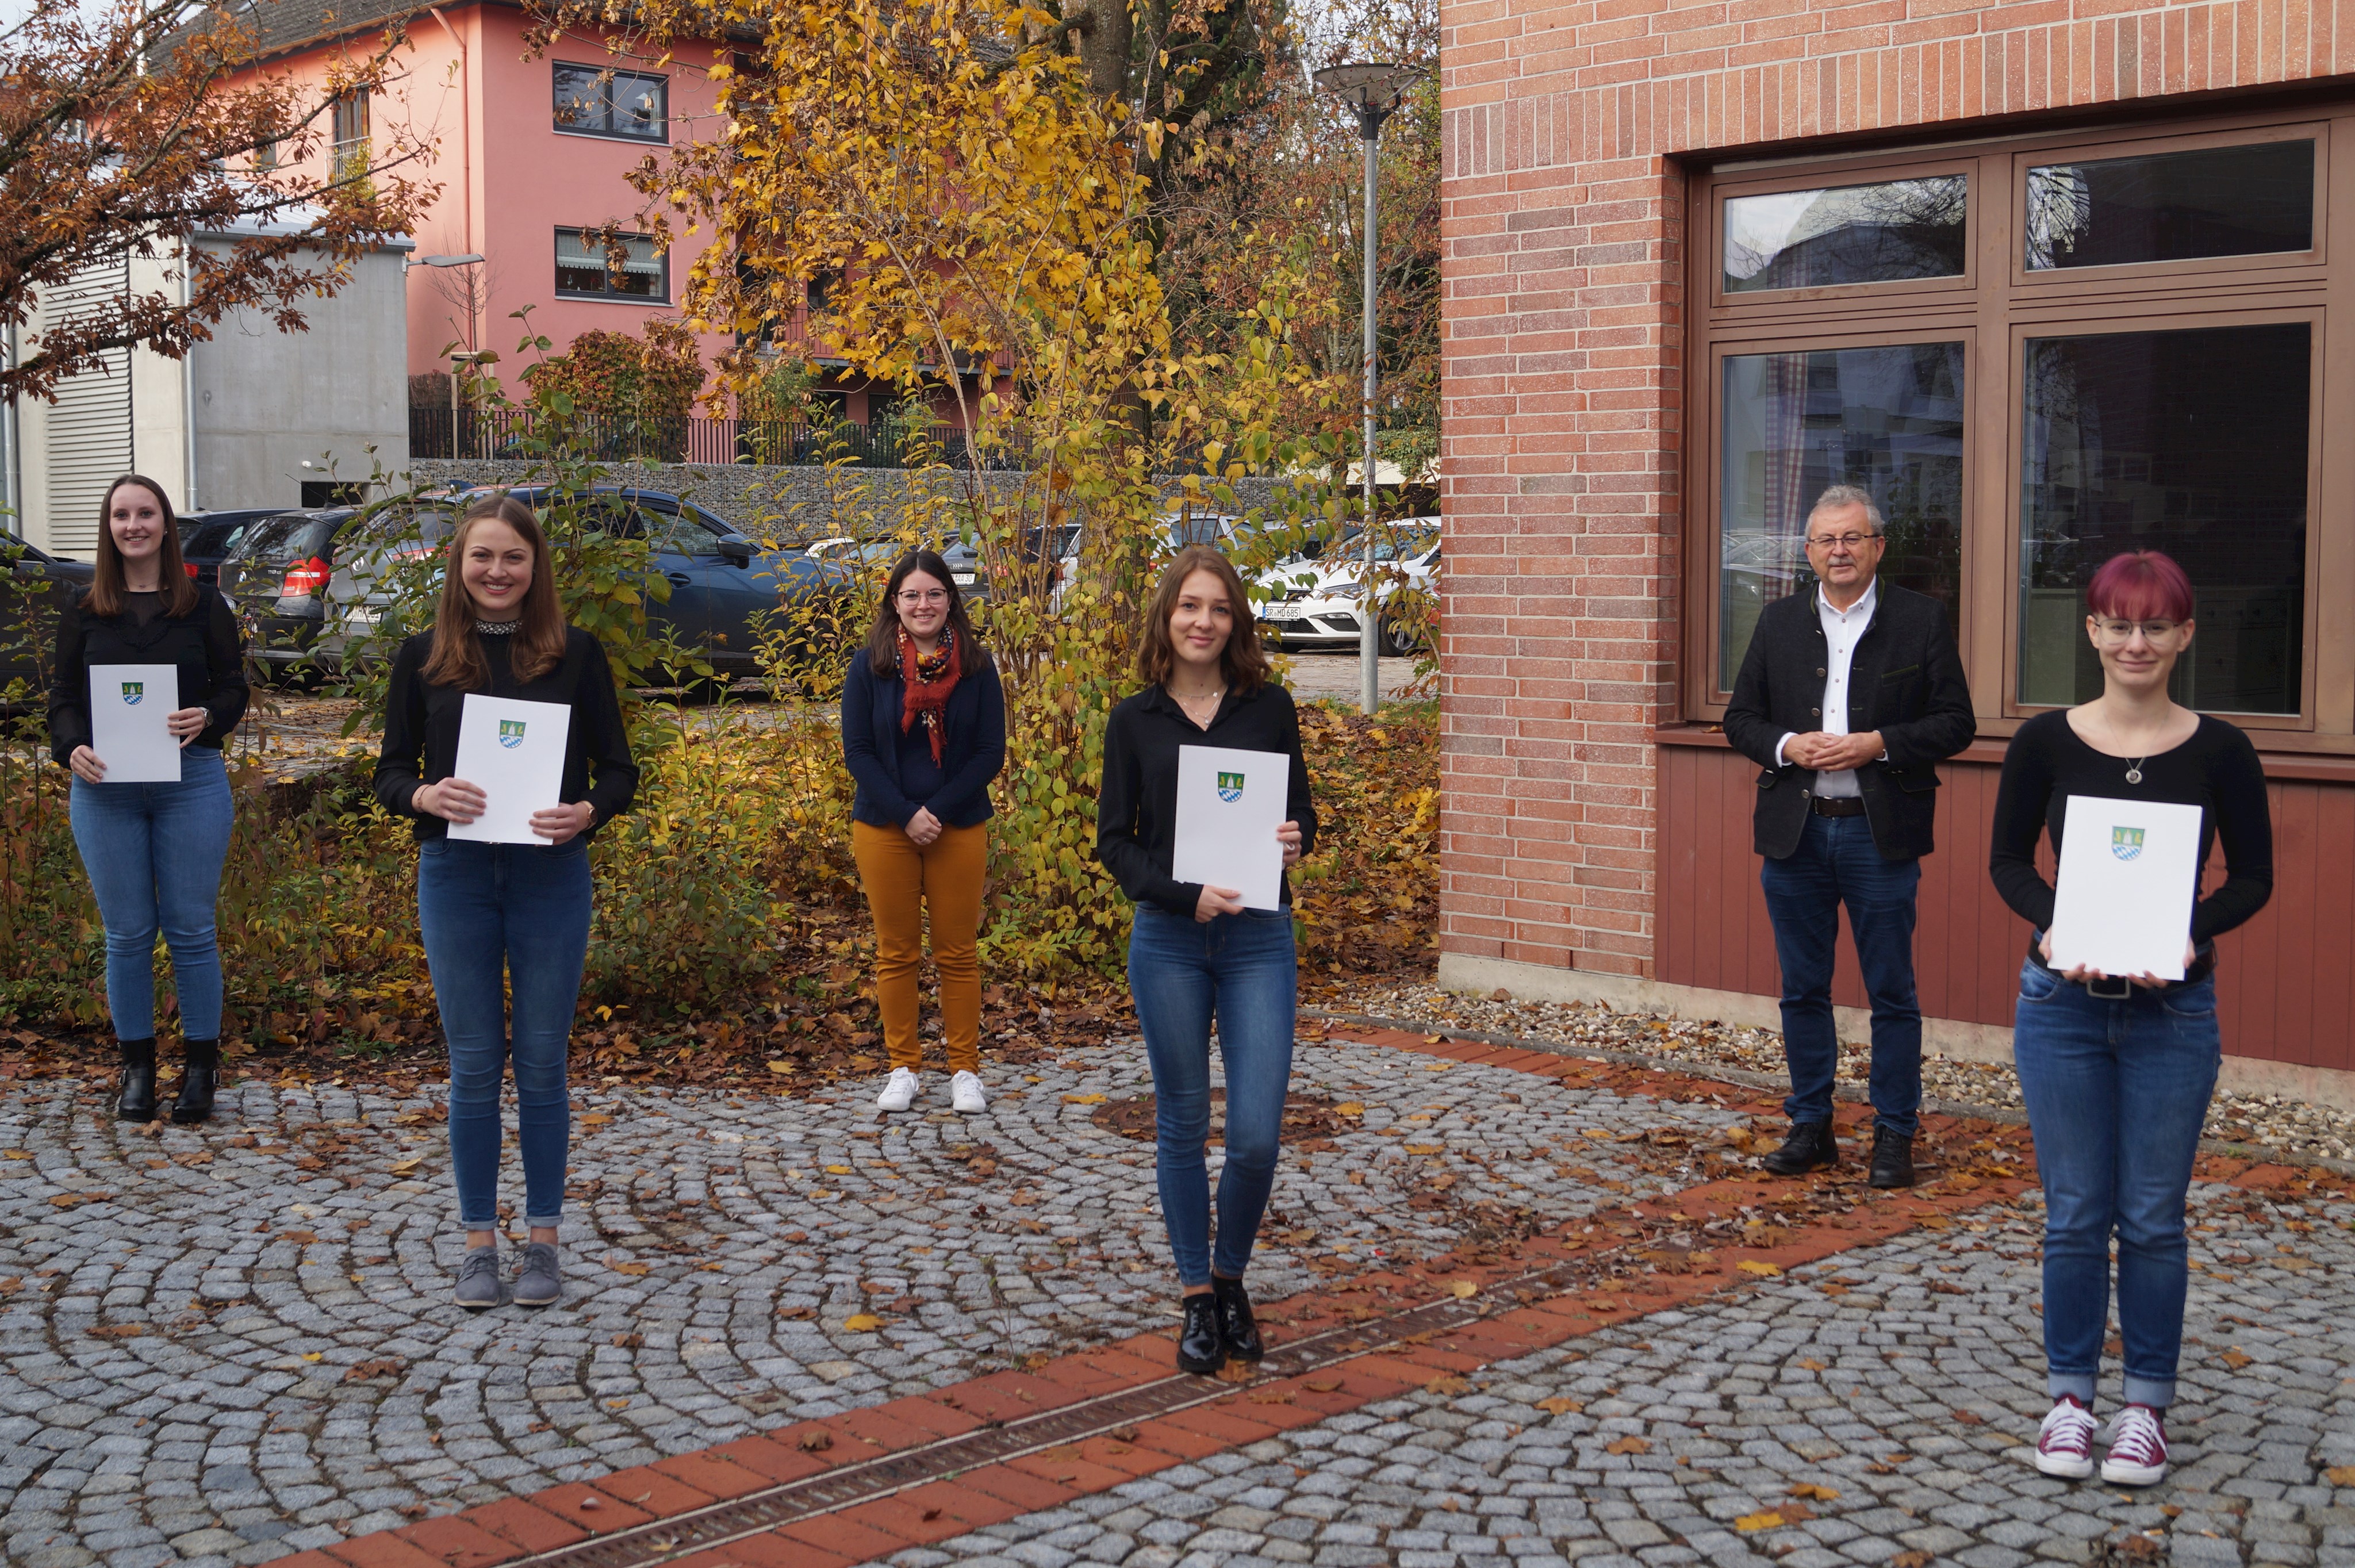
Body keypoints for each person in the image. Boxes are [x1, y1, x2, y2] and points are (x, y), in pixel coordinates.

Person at [1990, 550, 2271, 1489]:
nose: (2136, 641)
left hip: (2172, 1010)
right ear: (2092, 632)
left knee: (2151, 1217)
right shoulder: (2045, 741)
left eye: (2155, 625)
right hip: (2061, 1006)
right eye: (2118, 623)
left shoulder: (2221, 749)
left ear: (2185, 634)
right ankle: (2070, 1400)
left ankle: (2144, 1408)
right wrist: (2057, 921)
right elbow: (2007, 865)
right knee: (2074, 1214)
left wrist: (2184, 931)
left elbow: (2254, 879)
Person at [373, 493, 638, 1311]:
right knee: (476, 1065)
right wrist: (423, 794)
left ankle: (546, 1243)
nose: (496, 570)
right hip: (456, 877)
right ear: (459, 563)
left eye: (512, 557)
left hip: (550, 877)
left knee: (544, 1062)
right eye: (482, 556)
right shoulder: (423, 656)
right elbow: (386, 773)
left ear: (535, 568)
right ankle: (479, 1244)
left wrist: (588, 810)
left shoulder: (576, 654)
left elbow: (621, 769)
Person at [1097, 544, 1315, 1377]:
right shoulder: (1134, 719)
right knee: (1184, 1122)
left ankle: (1232, 1276)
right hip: (1171, 939)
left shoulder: (1270, 708)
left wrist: (1297, 840)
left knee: (1257, 1134)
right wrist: (1184, 894)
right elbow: (1114, 842)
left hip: (1260, 935)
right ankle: (1197, 1293)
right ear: (1168, 615)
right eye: (1190, 605)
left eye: (1219, 608)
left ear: (1237, 622)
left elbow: (1301, 814)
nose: (1203, 621)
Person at [1723, 484, 1976, 1188]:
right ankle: (1811, 1125)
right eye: (1826, 540)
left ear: (1876, 547)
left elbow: (1957, 722)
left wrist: (1878, 744)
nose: (1839, 550)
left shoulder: (1920, 620)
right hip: (1795, 836)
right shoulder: (1776, 623)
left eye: (1852, 538)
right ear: (1808, 553)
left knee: (1891, 991)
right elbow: (1740, 719)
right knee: (1802, 991)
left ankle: (1895, 1133)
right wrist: (1785, 746)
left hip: (1877, 835)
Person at [47, 475, 247, 1125]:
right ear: (109, 528)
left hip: (190, 783)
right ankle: (136, 1068)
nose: (134, 525)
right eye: (121, 515)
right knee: (128, 935)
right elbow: (62, 700)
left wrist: (207, 719)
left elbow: (233, 688)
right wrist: (70, 746)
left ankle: (199, 1067)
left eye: (146, 513)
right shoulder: (83, 610)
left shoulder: (203, 606)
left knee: (190, 931)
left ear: (165, 524)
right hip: (105, 790)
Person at [841, 549, 1006, 1115]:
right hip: (884, 825)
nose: (923, 604)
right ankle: (903, 1067)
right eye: (911, 595)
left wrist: (934, 808)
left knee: (958, 953)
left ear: (950, 600)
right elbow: (858, 753)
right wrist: (906, 813)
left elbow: (990, 753)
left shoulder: (978, 669)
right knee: (896, 953)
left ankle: (964, 1070)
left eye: (934, 593)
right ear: (895, 604)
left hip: (957, 823)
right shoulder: (870, 666)